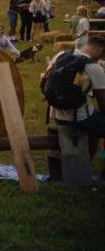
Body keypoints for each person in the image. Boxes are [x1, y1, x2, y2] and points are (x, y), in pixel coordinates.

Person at [44, 34, 105, 170]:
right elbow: (103, 105)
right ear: (101, 50)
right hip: (80, 118)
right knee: (97, 123)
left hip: (56, 114)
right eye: (102, 56)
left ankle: (85, 164)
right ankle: (101, 175)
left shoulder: (60, 55)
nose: (101, 59)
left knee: (95, 130)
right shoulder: (94, 67)